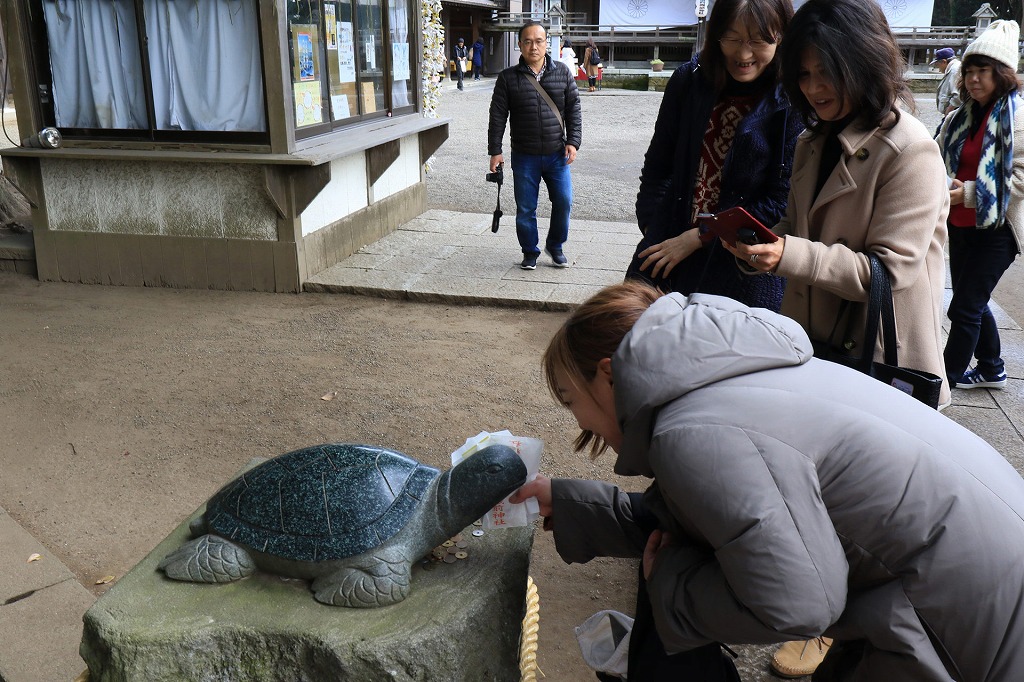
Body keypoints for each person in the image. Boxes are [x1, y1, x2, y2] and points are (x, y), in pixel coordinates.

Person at [511, 281, 1024, 681]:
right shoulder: (726, 374)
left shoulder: (692, 432)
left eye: (567, 397)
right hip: (979, 570)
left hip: (961, 623)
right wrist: (567, 502)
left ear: (606, 373)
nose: (576, 420)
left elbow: (797, 604)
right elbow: (724, 522)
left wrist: (670, 582)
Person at [727, 0, 951, 416]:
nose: (813, 88)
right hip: (815, 346)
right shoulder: (812, 141)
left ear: (864, 61)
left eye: (827, 71)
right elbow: (797, 226)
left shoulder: (910, 150)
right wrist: (760, 244)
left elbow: (891, 271)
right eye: (804, 74)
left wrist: (788, 254)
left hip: (878, 356)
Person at [626, 0, 801, 312]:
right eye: (731, 38)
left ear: (782, 37)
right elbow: (658, 166)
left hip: (743, 261)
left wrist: (701, 235)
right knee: (634, 340)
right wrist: (653, 226)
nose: (743, 54)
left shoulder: (790, 100)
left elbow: (779, 199)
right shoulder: (689, 81)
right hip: (668, 246)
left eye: (759, 40)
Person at [937, 20, 1024, 392]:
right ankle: (991, 367)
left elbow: (1020, 178)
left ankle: (942, 381)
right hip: (959, 223)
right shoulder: (961, 116)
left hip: (998, 229)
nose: (972, 79)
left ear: (1002, 74)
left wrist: (969, 193)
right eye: (969, 71)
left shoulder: (1018, 119)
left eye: (982, 71)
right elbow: (934, 154)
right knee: (971, 299)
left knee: (964, 308)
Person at [488, 21, 582, 270]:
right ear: (520, 45)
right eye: (527, 41)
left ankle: (556, 245)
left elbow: (574, 110)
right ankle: (529, 251)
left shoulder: (562, 72)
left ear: (547, 43)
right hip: (524, 155)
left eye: (539, 41)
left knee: (564, 201)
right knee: (526, 208)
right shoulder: (508, 78)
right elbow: (497, 116)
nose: (533, 46)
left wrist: (573, 141)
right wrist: (495, 151)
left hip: (556, 153)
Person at [932, 46, 962, 116]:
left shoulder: (955, 70)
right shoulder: (952, 69)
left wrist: (948, 112)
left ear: (944, 61)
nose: (939, 69)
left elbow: (958, 96)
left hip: (954, 113)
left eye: (938, 65)